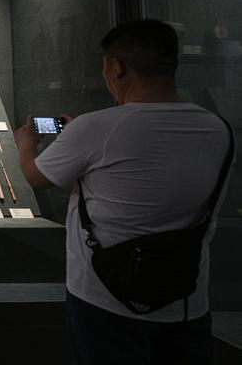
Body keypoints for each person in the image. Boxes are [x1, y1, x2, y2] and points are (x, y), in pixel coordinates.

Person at [13, 19, 233, 364]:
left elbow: (36, 177)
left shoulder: (96, 127)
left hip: (105, 299)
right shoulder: (218, 128)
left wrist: (26, 144)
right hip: (186, 299)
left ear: (115, 67)